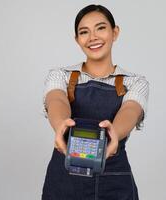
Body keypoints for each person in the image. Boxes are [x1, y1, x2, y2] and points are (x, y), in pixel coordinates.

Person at [41, 4, 149, 200]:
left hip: (114, 182)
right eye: (84, 32)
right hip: (63, 182)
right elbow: (56, 99)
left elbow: (131, 110)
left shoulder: (135, 82)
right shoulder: (60, 75)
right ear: (77, 40)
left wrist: (113, 133)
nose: (93, 38)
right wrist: (61, 126)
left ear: (114, 32)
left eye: (101, 28)